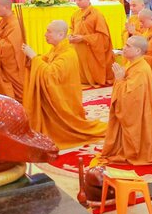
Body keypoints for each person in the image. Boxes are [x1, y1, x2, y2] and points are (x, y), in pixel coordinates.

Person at [21, 20, 106, 148]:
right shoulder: (56, 49)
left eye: (49, 32)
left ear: (60, 35)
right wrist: (31, 60)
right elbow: (44, 61)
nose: (45, 34)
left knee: (79, 130)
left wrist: (34, 57)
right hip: (58, 96)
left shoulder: (68, 54)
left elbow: (50, 74)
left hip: (64, 101)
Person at [99, 36, 152, 165]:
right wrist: (120, 80)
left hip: (137, 116)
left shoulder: (141, 70)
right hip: (135, 110)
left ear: (138, 51)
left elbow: (131, 101)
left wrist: (120, 80)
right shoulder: (132, 64)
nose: (124, 48)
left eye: (128, 46)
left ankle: (134, 150)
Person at [69, 0, 114, 89]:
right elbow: (71, 28)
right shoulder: (75, 14)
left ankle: (93, 79)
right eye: (75, 0)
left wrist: (84, 38)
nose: (77, 2)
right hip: (78, 49)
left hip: (91, 50)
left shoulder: (96, 14)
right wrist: (70, 36)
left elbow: (103, 37)